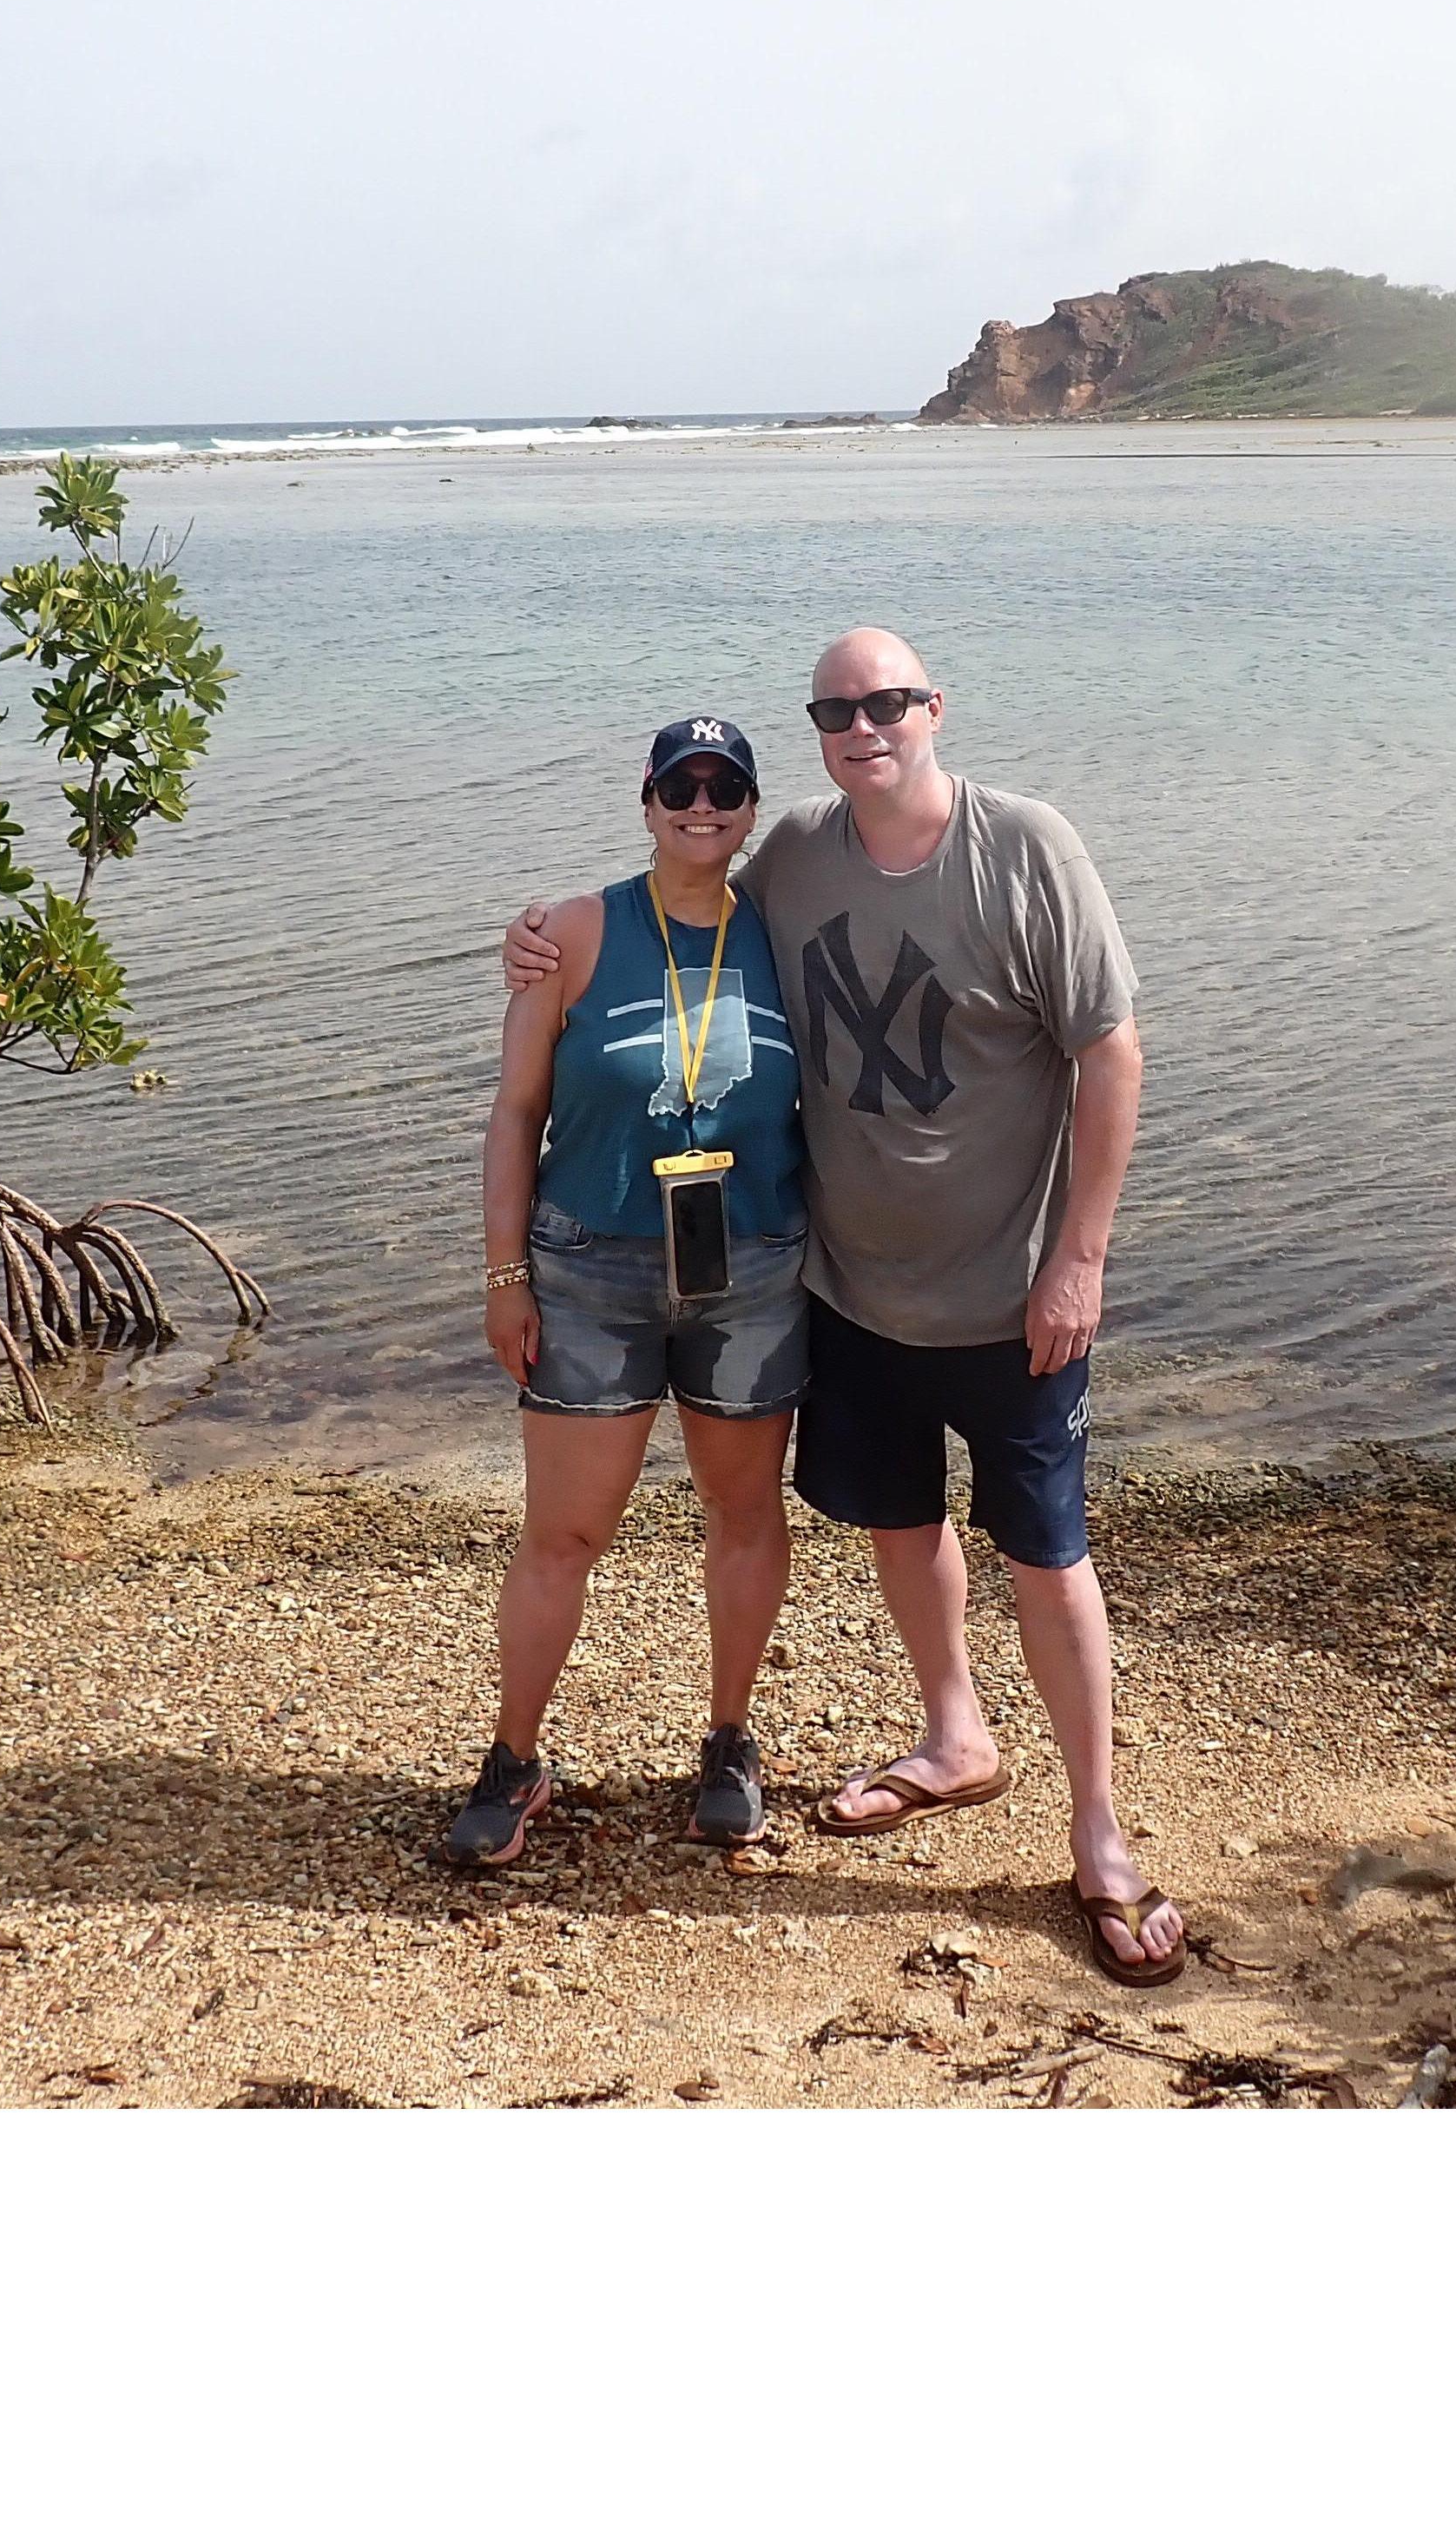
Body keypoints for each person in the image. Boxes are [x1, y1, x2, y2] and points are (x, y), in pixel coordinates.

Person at [506, 630, 1181, 1984]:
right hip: (848, 1290)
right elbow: (675, 899)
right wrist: (544, 936)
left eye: (887, 703)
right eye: (836, 709)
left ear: (934, 708)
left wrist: (1082, 1256)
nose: (863, 725)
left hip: (1011, 1296)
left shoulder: (1027, 848)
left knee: (1047, 1554)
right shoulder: (796, 857)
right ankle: (954, 1737)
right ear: (815, 731)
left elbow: (1111, 1055)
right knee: (897, 1521)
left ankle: (1098, 1829)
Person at [447, 715, 808, 1870]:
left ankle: (732, 1742)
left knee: (745, 1515)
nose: (703, 805)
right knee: (565, 1532)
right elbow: (514, 1115)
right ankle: (514, 1758)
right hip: (589, 1271)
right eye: (680, 786)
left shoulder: (789, 935)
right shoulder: (572, 933)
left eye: (727, 787)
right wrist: (506, 1278)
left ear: (753, 809)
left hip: (748, 1270)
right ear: (646, 801)